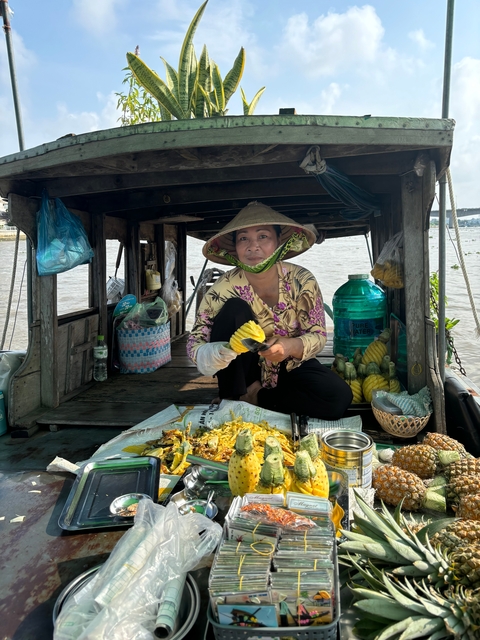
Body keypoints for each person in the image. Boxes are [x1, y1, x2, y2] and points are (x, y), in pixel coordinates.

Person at [186, 201, 352, 419]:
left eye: (263, 236)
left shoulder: (302, 281)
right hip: (242, 373)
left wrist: (290, 345)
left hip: (289, 364)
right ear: (235, 247)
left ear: (278, 242)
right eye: (243, 238)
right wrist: (226, 350)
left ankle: (257, 399)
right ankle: (236, 397)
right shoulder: (223, 288)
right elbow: (194, 344)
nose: (253, 246)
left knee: (338, 398)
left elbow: (318, 335)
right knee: (234, 308)